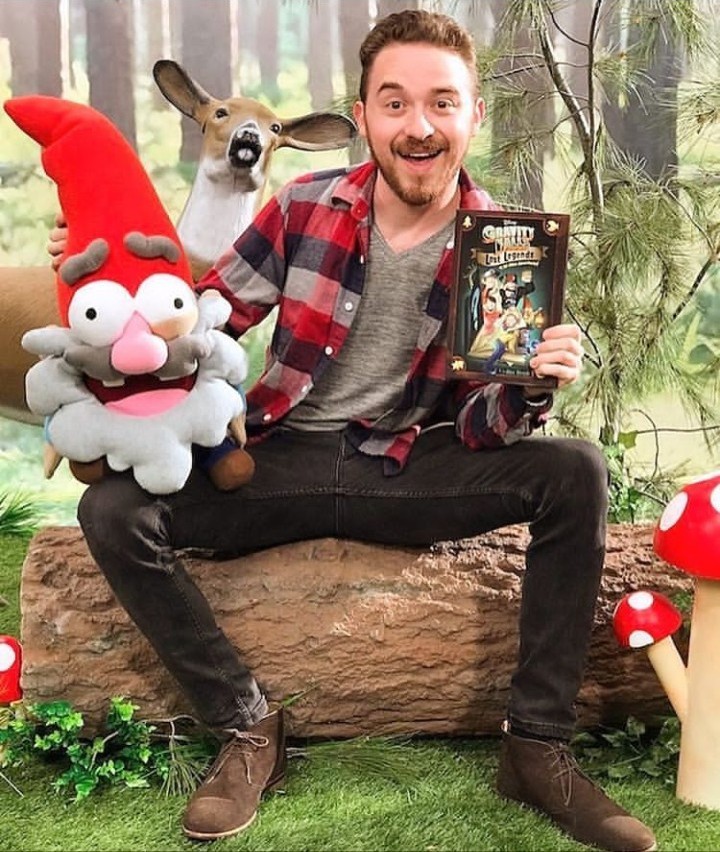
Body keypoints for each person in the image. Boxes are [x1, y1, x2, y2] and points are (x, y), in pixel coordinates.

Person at [47, 10, 656, 852]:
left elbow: (481, 430)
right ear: (364, 116)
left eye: (442, 102)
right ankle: (249, 725)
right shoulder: (303, 206)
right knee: (114, 511)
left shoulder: (505, 248)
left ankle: (536, 748)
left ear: (473, 115)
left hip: (407, 466)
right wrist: (108, 276)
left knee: (576, 470)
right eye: (395, 103)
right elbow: (198, 321)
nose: (419, 125)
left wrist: (528, 386)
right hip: (279, 459)